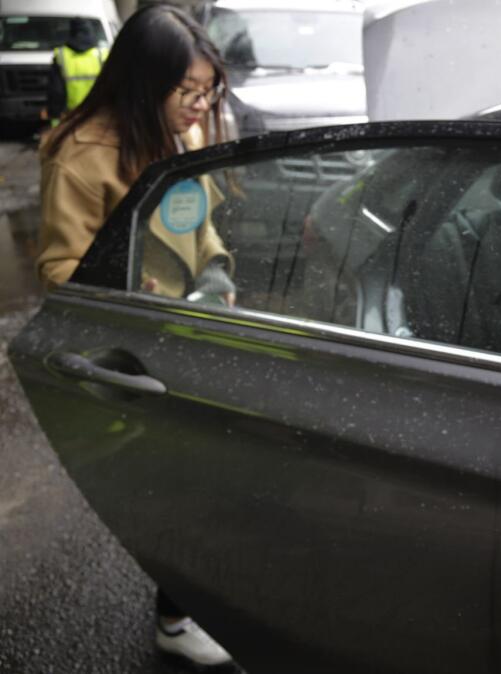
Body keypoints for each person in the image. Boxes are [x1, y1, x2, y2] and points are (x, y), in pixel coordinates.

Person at [36, 5, 235, 668]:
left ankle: (183, 605)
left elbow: (199, 218)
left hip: (191, 331)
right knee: (179, 486)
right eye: (189, 92)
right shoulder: (80, 158)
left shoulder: (173, 134)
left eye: (209, 91)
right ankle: (175, 620)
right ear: (145, 82)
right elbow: (59, 268)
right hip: (132, 351)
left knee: (200, 481)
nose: (201, 105)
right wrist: (128, 291)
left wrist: (215, 267)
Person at [45, 17, 109, 128]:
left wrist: (54, 114)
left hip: (71, 116)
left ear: (71, 32)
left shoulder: (61, 55)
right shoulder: (102, 54)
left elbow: (56, 90)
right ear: (90, 31)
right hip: (97, 114)